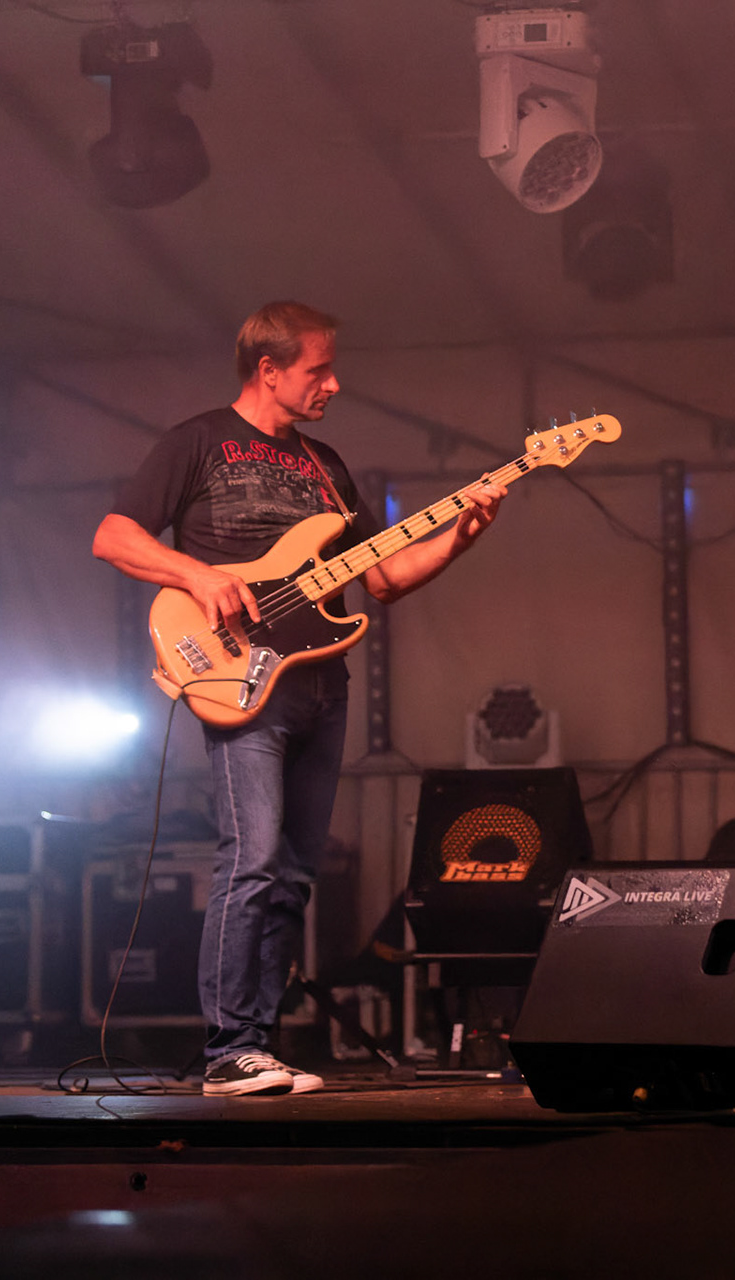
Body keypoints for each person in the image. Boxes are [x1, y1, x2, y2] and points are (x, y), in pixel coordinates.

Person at [93, 301, 506, 1096]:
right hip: (238, 677)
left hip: (318, 682)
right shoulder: (199, 441)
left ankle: (261, 1044)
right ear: (269, 370)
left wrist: (460, 534)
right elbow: (114, 535)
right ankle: (227, 1049)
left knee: (292, 873)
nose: (334, 383)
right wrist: (199, 574)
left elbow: (381, 578)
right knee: (249, 857)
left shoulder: (326, 465)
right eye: (319, 369)